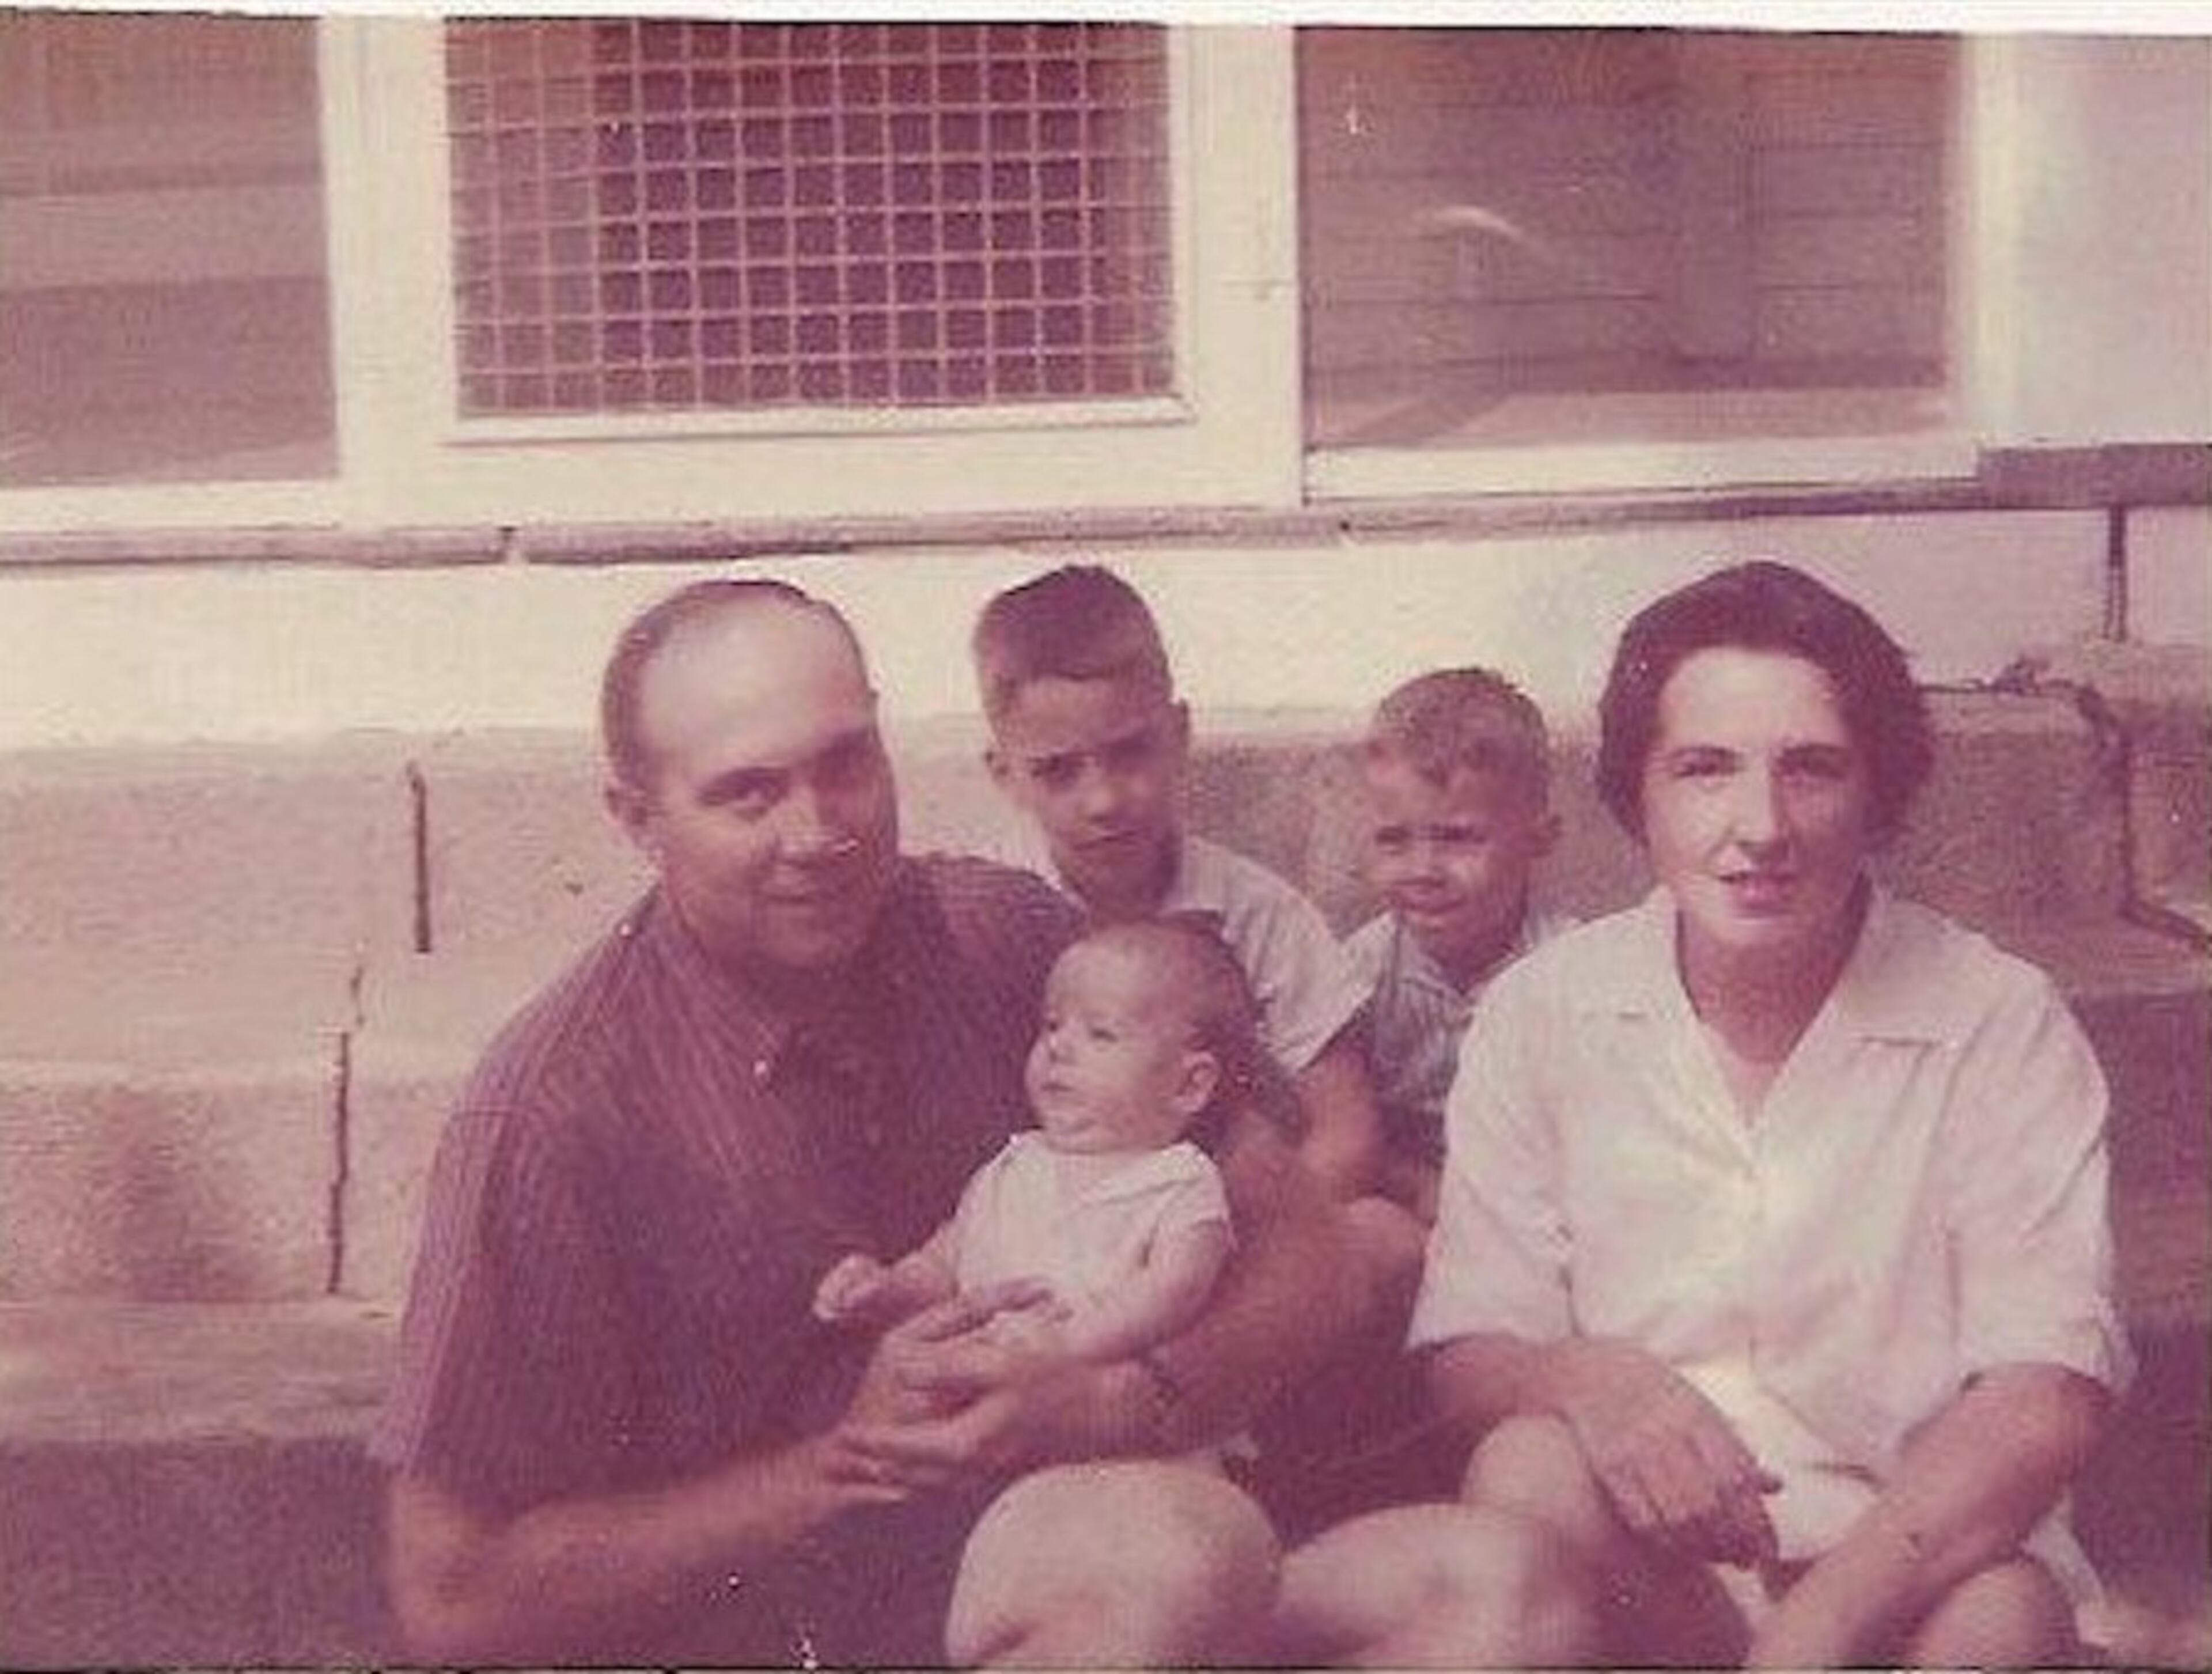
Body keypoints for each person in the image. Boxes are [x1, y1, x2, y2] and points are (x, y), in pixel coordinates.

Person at [369, 577, 1366, 1668]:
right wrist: (842, 1460)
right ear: (637, 819)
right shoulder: (555, 1113)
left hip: (1030, 1557)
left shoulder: (1003, 940)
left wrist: (1113, 1398)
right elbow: (454, 1596)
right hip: (775, 1628)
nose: (820, 832)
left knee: (1491, 1595)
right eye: (748, 794)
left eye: (847, 764)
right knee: (1179, 1551)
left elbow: (1313, 1258)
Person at [1274, 560, 2129, 1668]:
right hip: (1666, 1566)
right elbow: (1470, 1349)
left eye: (1812, 769)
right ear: (1640, 796)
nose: (1759, 826)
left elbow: (2044, 1392)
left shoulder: (1996, 1020)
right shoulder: (1546, 1010)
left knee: (2001, 1628)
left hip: (1920, 1555)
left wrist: (1814, 1635)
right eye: (1706, 770)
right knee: (1526, 1470)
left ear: (1880, 792)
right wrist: (1588, 1377)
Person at [969, 565, 1391, 1215]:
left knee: (1380, 1231)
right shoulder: (985, 917)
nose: (1104, 799)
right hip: (1044, 1229)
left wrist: (1220, 1247)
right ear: (1006, 776)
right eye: (1058, 771)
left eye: (1131, 751)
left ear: (1180, 734)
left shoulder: (1257, 913)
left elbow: (1345, 1131)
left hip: (1228, 1230)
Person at [815, 918, 1259, 1371]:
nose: (1059, 1048)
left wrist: (1067, 1346)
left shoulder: (1178, 1182)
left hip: (1106, 1429)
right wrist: (887, 1290)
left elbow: (1175, 1290)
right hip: (988, 1407)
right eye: (1051, 1026)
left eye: (1100, 1033)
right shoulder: (1012, 1167)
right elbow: (943, 1264)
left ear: (1189, 1085)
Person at [1343, 667, 1569, 1224]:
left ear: (1539, 838)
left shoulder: (1570, 970)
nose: (1424, 870)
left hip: (1536, 1203)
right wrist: (1418, 1186)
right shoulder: (1358, 974)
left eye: (1458, 838)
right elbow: (1339, 1128)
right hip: (1409, 1201)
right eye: (1394, 840)